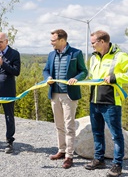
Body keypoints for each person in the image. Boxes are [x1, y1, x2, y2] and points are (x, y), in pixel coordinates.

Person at [84, 30, 128, 177]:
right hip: (94, 101)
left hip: (111, 103)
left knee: (116, 135)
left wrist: (115, 77)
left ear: (102, 42)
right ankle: (99, 159)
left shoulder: (119, 56)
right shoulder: (94, 58)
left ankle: (117, 165)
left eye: (93, 43)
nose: (91, 46)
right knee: (97, 132)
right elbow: (92, 77)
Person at [43, 29, 88, 169]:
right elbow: (46, 70)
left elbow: (84, 71)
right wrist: (48, 78)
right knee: (59, 125)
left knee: (69, 126)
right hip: (54, 95)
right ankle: (61, 151)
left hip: (69, 95)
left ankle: (69, 156)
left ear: (62, 40)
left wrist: (76, 78)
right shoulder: (51, 55)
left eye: (53, 40)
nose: (51, 43)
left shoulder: (76, 53)